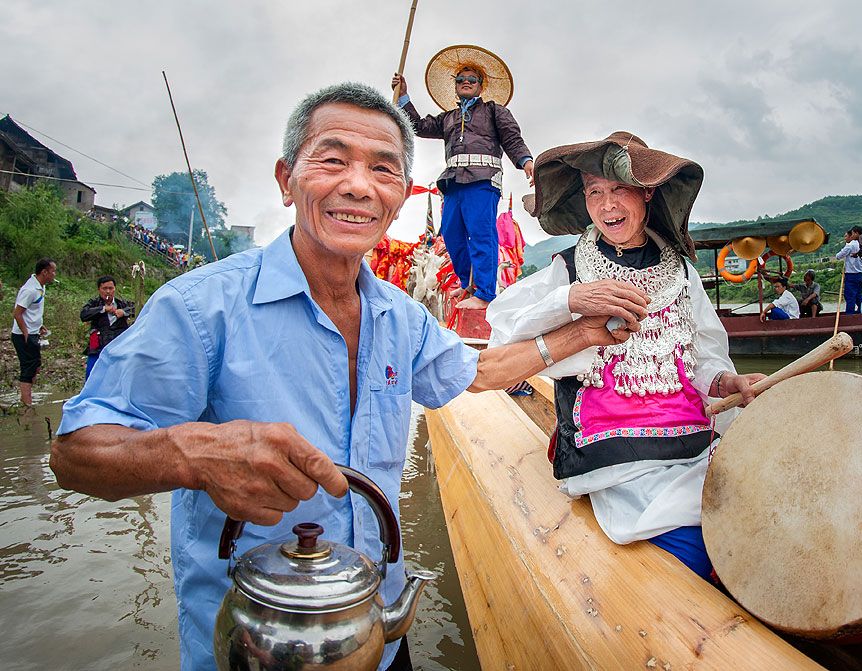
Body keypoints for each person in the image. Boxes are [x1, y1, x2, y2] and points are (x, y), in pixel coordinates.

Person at [50, 82, 631, 671]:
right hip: (256, 646)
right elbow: (75, 453)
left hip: (376, 633)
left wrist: (582, 334)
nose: (358, 185)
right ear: (286, 180)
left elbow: (478, 371)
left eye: (383, 169)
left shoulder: (402, 317)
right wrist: (191, 455)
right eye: (333, 161)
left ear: (399, 198)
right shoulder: (200, 308)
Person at [487, 132, 764, 580]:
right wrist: (571, 300)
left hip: (695, 439)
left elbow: (702, 355)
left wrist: (724, 382)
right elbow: (503, 334)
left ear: (646, 193)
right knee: (694, 543)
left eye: (619, 189)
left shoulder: (681, 272)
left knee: (755, 505)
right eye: (594, 191)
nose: (607, 205)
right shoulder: (569, 268)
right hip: (614, 451)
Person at [392, 47, 534, 311]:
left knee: (481, 234)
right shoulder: (448, 118)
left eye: (472, 79)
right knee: (451, 235)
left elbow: (512, 138)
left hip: (483, 181)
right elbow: (418, 126)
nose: (466, 82)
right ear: (456, 86)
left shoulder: (494, 111)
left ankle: (486, 293)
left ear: (480, 86)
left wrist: (526, 161)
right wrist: (403, 96)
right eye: (461, 79)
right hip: (453, 182)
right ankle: (468, 283)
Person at [11, 258, 56, 406]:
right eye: (53, 271)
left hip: (33, 332)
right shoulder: (29, 290)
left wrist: (39, 325)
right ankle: (27, 404)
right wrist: (26, 332)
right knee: (28, 367)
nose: (54, 274)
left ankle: (26, 397)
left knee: (35, 364)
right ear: (44, 272)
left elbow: (31, 311)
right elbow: (17, 313)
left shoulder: (40, 287)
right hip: (23, 335)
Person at [79, 275, 133, 380]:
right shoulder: (94, 303)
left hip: (119, 345)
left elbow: (138, 308)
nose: (108, 291)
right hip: (98, 345)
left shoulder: (122, 303)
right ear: (99, 290)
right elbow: (84, 315)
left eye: (110, 288)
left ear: (114, 289)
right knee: (92, 375)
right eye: (104, 288)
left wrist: (124, 312)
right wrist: (103, 309)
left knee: (119, 376)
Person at [835, 229, 862, 314]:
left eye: (846, 236)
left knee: (850, 295)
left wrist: (845, 246)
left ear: (851, 236)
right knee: (858, 295)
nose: (845, 238)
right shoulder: (860, 244)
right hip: (860, 274)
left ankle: (850, 314)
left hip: (851, 275)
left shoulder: (850, 246)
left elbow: (838, 256)